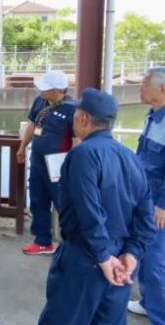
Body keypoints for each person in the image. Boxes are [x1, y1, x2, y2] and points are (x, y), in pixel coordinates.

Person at [38, 88, 156, 325]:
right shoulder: (131, 157)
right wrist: (132, 254)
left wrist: (103, 257)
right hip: (121, 262)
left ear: (83, 118)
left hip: (86, 257)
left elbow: (89, 212)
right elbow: (145, 216)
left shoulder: (83, 154)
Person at [17, 69, 76, 255]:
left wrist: (73, 166)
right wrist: (22, 147)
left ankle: (72, 245)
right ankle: (42, 241)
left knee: (64, 204)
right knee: (38, 201)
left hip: (59, 166)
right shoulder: (39, 101)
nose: (41, 91)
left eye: (46, 88)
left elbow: (76, 140)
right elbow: (32, 125)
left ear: (58, 90)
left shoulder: (73, 109)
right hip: (37, 162)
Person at [127, 67, 165, 322]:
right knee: (142, 249)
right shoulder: (153, 116)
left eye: (144, 84)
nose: (140, 89)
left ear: (162, 89)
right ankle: (148, 301)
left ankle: (160, 315)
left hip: (158, 203)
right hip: (144, 197)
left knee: (154, 259)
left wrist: (163, 205)